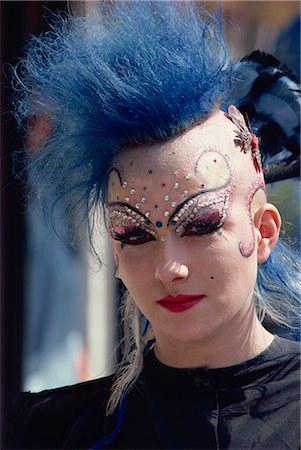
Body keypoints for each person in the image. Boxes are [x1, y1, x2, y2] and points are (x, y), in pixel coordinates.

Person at [7, 2, 300, 449]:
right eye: (136, 234)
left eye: (200, 226)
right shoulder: (54, 432)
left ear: (263, 232)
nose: (170, 268)